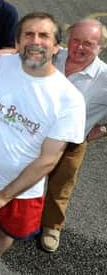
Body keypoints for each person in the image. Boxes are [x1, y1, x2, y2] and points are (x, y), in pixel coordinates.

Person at [0, 12, 86, 275]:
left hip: (22, 189)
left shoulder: (70, 100)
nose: (35, 41)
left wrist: (3, 196)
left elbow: (49, 160)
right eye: (28, 34)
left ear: (56, 47)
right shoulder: (2, 65)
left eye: (44, 35)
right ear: (18, 43)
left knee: (4, 231)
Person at [40, 18, 107, 253]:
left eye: (88, 43)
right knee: (24, 177)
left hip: (72, 143)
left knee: (60, 186)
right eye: (75, 40)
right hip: (34, 134)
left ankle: (51, 226)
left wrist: (101, 130)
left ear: (101, 47)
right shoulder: (52, 55)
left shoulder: (104, 77)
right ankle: (14, 216)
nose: (79, 47)